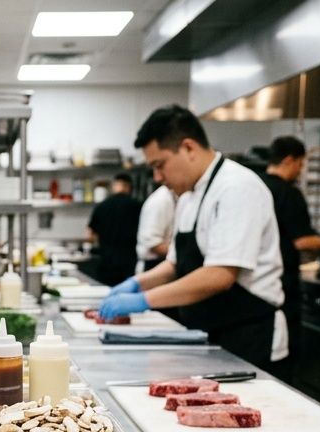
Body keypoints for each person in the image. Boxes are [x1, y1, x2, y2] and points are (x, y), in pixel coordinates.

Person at [99, 105, 287, 369]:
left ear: (188, 147)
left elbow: (219, 275)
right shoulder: (189, 196)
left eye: (159, 165)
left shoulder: (237, 188)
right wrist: (136, 283)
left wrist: (144, 300)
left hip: (248, 335)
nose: (157, 177)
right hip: (208, 330)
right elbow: (175, 264)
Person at [260, 136, 320, 378]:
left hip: (258, 290)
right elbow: (302, 240)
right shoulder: (288, 193)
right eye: (301, 164)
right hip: (281, 286)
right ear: (289, 160)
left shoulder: (257, 185)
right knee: (284, 363)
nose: (301, 170)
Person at [83, 173, 142, 286]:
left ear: (114, 186)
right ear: (129, 187)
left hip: (106, 263)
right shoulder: (137, 206)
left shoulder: (102, 206)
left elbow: (90, 236)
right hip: (129, 265)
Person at [135, 183, 176, 272]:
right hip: (153, 265)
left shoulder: (174, 197)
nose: (157, 178)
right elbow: (154, 244)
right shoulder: (161, 200)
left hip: (164, 262)